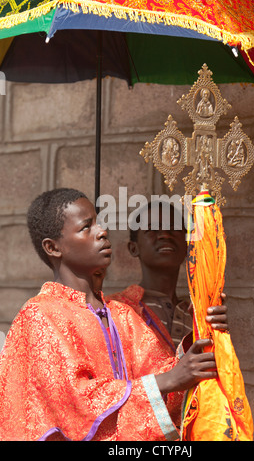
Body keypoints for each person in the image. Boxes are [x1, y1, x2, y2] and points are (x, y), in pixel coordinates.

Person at [0, 188, 224, 442]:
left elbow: (165, 375)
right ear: (53, 247)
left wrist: (203, 339)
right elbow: (71, 398)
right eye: (87, 227)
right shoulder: (40, 314)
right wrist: (167, 380)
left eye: (99, 223)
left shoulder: (122, 314)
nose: (102, 231)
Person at [106, 201, 228, 351]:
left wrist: (216, 333)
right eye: (152, 229)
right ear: (134, 248)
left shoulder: (196, 313)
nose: (165, 235)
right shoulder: (115, 307)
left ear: (187, 245)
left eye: (174, 228)